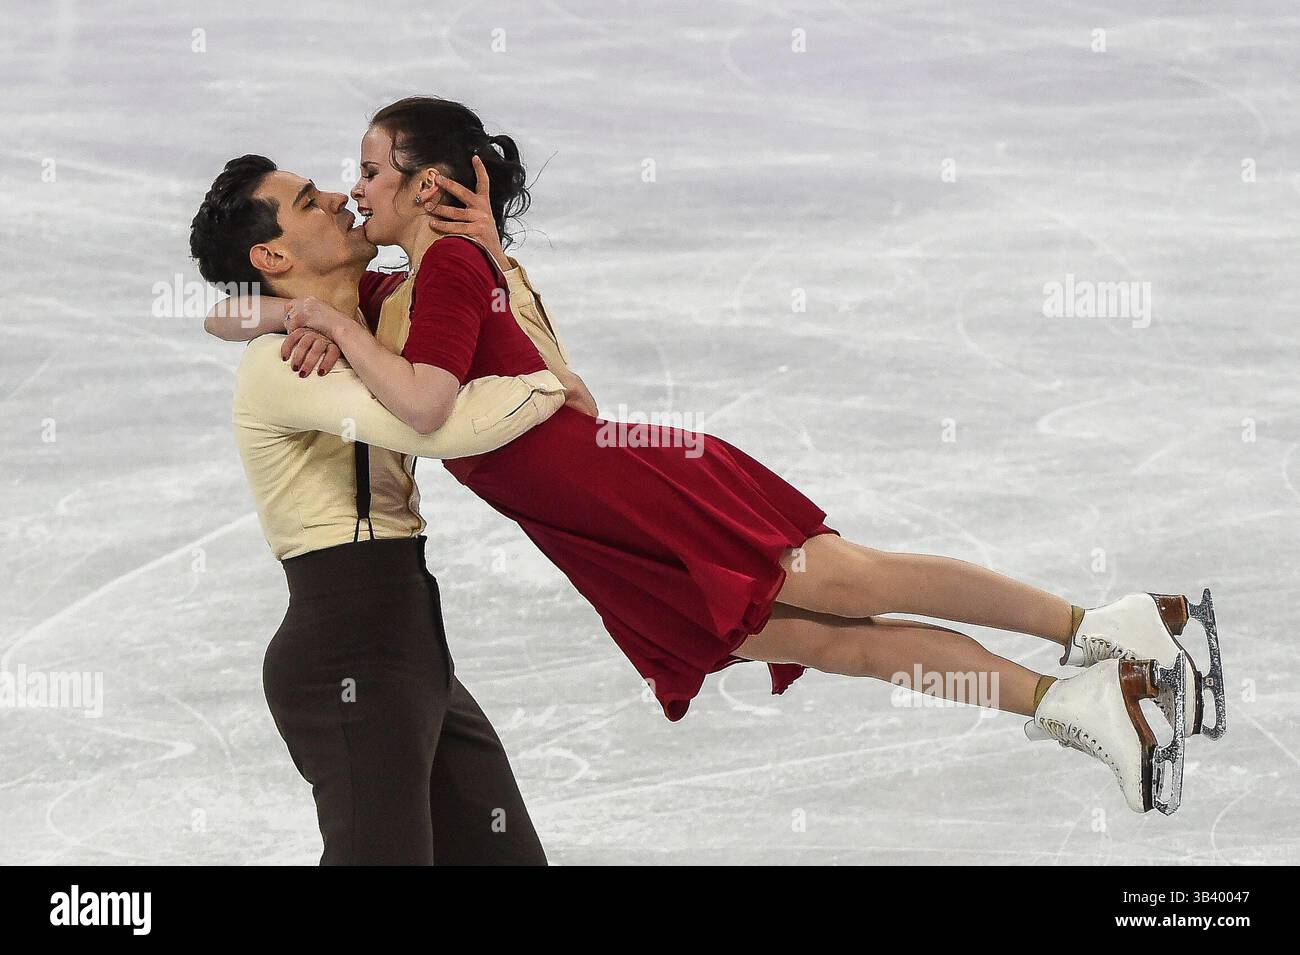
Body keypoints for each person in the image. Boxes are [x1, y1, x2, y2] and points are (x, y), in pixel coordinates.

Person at [220, 98, 1226, 816]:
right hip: (587, 518)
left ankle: (1107, 626)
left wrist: (442, 282)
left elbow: (524, 398)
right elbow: (236, 316)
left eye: (364, 172)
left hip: (622, 478)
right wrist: (288, 312)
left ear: (428, 185)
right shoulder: (404, 286)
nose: (351, 195)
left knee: (847, 582)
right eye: (333, 187)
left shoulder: (442, 269)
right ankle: (1079, 701)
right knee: (821, 638)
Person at [191, 154, 565, 863]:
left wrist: (489, 257)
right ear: (270, 253)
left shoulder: (378, 314)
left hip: (412, 646)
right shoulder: (286, 364)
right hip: (345, 650)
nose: (338, 197)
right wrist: (554, 388)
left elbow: (224, 311)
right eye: (308, 201)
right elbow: (441, 422)